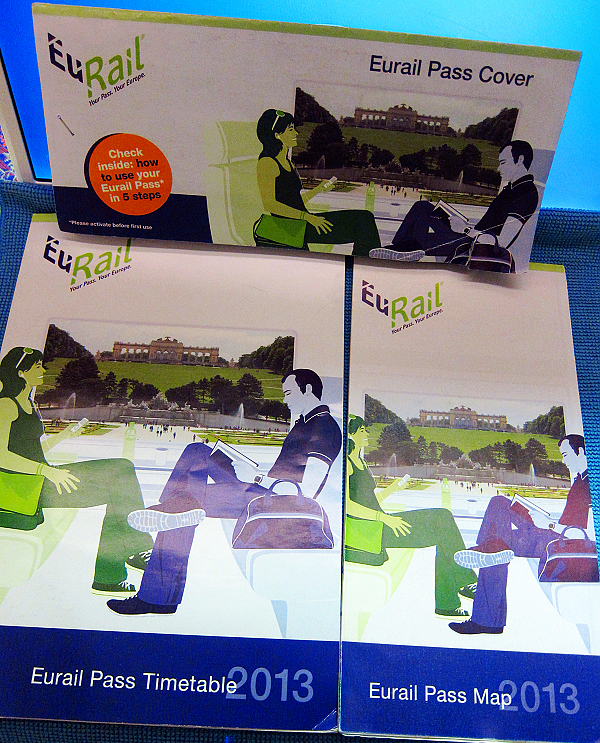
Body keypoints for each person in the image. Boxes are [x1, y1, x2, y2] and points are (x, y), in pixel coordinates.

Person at [107, 368, 342, 615]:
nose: (284, 400)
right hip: (265, 489)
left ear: (307, 390)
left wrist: (254, 476)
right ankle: (169, 509)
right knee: (197, 451)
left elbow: (308, 491)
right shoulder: (307, 422)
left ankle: (157, 594)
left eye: (289, 393)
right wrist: (252, 472)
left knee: (183, 504)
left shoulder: (324, 427)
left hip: (277, 502)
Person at [0, 347, 153, 595]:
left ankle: (110, 578)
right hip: (24, 489)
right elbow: (1, 456)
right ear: (20, 372)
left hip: (39, 479)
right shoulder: (6, 405)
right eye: (37, 366)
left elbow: (32, 450)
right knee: (121, 471)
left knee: (120, 480)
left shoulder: (27, 403)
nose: (43, 369)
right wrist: (47, 472)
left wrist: (64, 436)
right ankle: (128, 557)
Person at [450, 434, 594, 635]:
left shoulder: (591, 484)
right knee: (499, 504)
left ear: (580, 452)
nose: (563, 461)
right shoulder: (581, 480)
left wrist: (549, 523)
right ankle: (488, 550)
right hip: (554, 532)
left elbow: (591, 534)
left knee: (496, 543)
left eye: (565, 455)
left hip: (561, 541)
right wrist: (545, 519)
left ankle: (488, 620)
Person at [345, 416, 476, 618]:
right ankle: (463, 583)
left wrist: (393, 488)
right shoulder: (347, 464)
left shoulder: (360, 462)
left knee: (444, 525)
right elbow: (348, 507)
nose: (367, 433)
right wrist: (385, 519)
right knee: (443, 519)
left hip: (379, 524)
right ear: (351, 434)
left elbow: (369, 500)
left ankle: (448, 603)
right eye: (362, 430)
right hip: (371, 532)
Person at [371, 140, 539, 271]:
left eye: (503, 162)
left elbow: (502, 242)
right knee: (422, 206)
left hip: (471, 244)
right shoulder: (511, 189)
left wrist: (465, 229)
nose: (498, 168)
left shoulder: (526, 193)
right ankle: (401, 248)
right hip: (469, 234)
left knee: (418, 238)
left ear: (520, 160)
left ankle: (399, 249)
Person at [255, 109, 383, 255]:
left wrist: (318, 190)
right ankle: (373, 261)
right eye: (290, 129)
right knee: (363, 220)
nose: (296, 133)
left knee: (365, 217)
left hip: (302, 221)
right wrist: (308, 217)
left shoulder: (288, 163)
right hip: (291, 226)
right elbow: (270, 204)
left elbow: (294, 201)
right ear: (277, 135)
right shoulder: (267, 163)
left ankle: (369, 259)